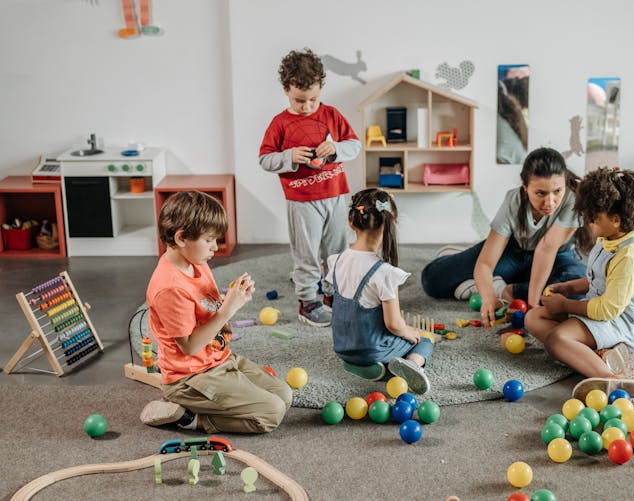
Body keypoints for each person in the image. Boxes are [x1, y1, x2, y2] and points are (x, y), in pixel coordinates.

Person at [140, 191, 292, 433]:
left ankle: (207, 406)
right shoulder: (169, 287)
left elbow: (207, 309)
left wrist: (231, 297)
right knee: (271, 413)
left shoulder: (197, 263)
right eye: (209, 240)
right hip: (189, 379)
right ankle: (189, 418)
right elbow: (189, 347)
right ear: (181, 238)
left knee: (284, 395)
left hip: (219, 360)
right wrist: (229, 308)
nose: (215, 247)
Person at [524, 167, 634, 400]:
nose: (589, 222)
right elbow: (596, 280)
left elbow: (608, 308)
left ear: (616, 220)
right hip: (603, 309)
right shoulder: (608, 238)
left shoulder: (629, 256)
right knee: (533, 317)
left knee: (557, 339)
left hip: (625, 320)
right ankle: (597, 353)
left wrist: (566, 305)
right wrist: (570, 287)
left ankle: (611, 379)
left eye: (594, 219)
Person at [421, 147, 590, 327]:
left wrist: (532, 309)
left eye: (557, 191)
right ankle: (477, 268)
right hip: (515, 251)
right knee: (432, 280)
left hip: (557, 256)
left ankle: (505, 288)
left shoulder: (573, 199)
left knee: (580, 289)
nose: (550, 202)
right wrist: (488, 298)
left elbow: (546, 249)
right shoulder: (514, 201)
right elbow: (485, 263)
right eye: (540, 193)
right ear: (525, 187)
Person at [259, 47, 362, 328]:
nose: (307, 106)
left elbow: (355, 145)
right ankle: (308, 302)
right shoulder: (281, 123)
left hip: (336, 195)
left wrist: (337, 148)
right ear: (286, 90)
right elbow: (265, 160)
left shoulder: (332, 115)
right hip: (302, 200)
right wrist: (288, 157)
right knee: (306, 254)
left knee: (338, 250)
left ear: (321, 89)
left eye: (313, 99)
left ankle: (333, 294)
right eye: (299, 100)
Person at [325, 189, 436, 394]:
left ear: (351, 222)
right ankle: (411, 365)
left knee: (380, 335)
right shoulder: (384, 273)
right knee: (425, 341)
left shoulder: (335, 261)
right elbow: (393, 324)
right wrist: (409, 332)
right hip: (372, 348)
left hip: (343, 347)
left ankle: (359, 366)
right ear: (389, 224)